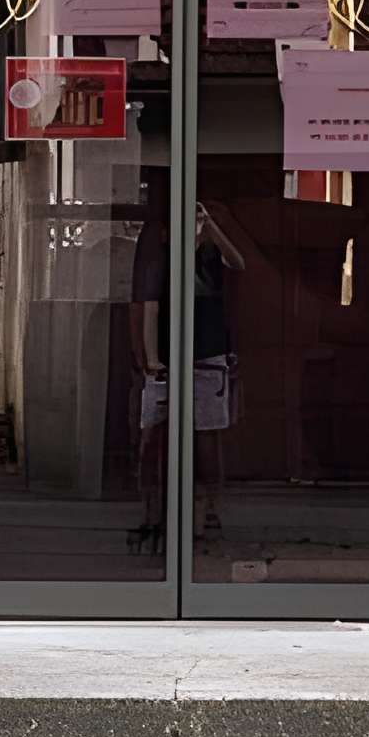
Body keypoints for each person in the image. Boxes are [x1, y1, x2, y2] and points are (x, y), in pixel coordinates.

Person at [130, 192, 243, 556]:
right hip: (166, 363)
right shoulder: (159, 265)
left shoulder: (210, 260)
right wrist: (151, 360)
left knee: (208, 440)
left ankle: (210, 506)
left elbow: (238, 262)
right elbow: (149, 312)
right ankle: (150, 509)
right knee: (151, 438)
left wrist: (210, 226)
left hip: (208, 357)